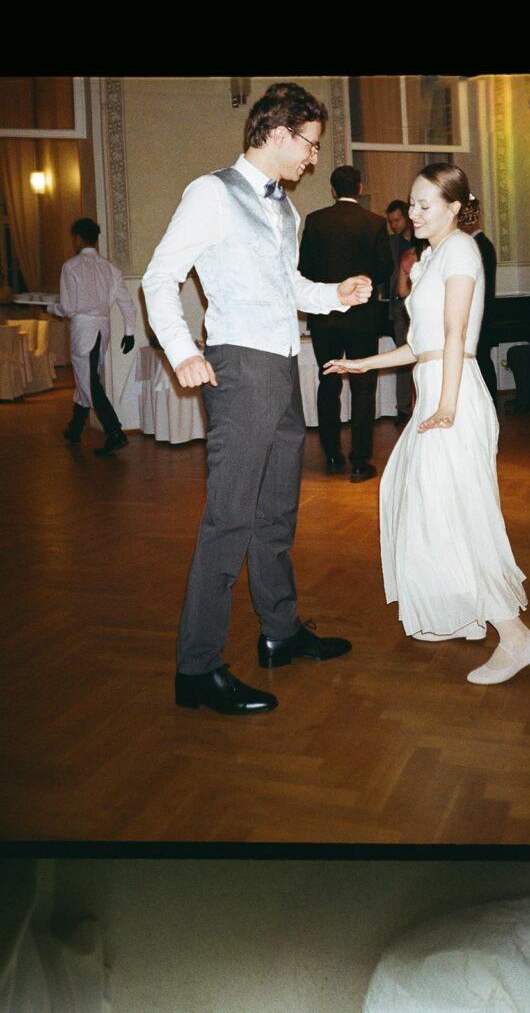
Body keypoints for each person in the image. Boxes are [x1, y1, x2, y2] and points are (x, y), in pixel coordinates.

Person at [142, 83, 372, 716]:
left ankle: (280, 631)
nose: (313, 159)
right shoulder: (210, 193)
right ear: (277, 133)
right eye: (310, 145)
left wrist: (334, 296)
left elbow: (287, 286)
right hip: (240, 368)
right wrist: (182, 351)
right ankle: (197, 669)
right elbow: (160, 277)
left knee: (276, 514)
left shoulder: (287, 211)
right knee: (229, 519)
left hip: (283, 364)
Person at [325, 164, 530, 686]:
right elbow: (418, 346)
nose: (414, 213)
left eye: (426, 204)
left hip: (454, 396)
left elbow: (454, 334)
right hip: (437, 394)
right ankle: (462, 612)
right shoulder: (432, 256)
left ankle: (516, 638)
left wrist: (445, 407)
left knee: (460, 515)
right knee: (419, 501)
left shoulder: (461, 250)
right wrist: (364, 364)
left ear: (454, 207)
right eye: (412, 203)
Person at [299, 165, 392, 482]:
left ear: (333, 190)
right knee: (364, 388)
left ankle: (332, 456)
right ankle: (360, 461)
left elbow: (304, 269)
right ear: (360, 189)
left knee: (328, 384)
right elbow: (385, 268)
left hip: (325, 318)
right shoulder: (375, 223)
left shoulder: (315, 221)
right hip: (363, 318)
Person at [48, 218, 136, 455]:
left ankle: (115, 432)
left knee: (88, 381)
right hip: (102, 328)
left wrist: (51, 308)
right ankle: (75, 428)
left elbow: (67, 306)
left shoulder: (71, 267)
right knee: (87, 376)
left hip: (83, 329)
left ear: (77, 238)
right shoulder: (110, 268)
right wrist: (129, 331)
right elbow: (126, 302)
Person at [461, 196, 498, 403]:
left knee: (482, 361)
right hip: (480, 313)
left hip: (480, 314)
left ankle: (488, 403)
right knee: (480, 361)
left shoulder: (480, 246)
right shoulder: (481, 245)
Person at [386, 200, 415, 426]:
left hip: (422, 304)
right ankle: (403, 408)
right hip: (399, 307)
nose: (393, 225)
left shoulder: (422, 241)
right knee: (403, 359)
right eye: (391, 221)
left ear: (407, 217)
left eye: (397, 220)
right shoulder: (391, 243)